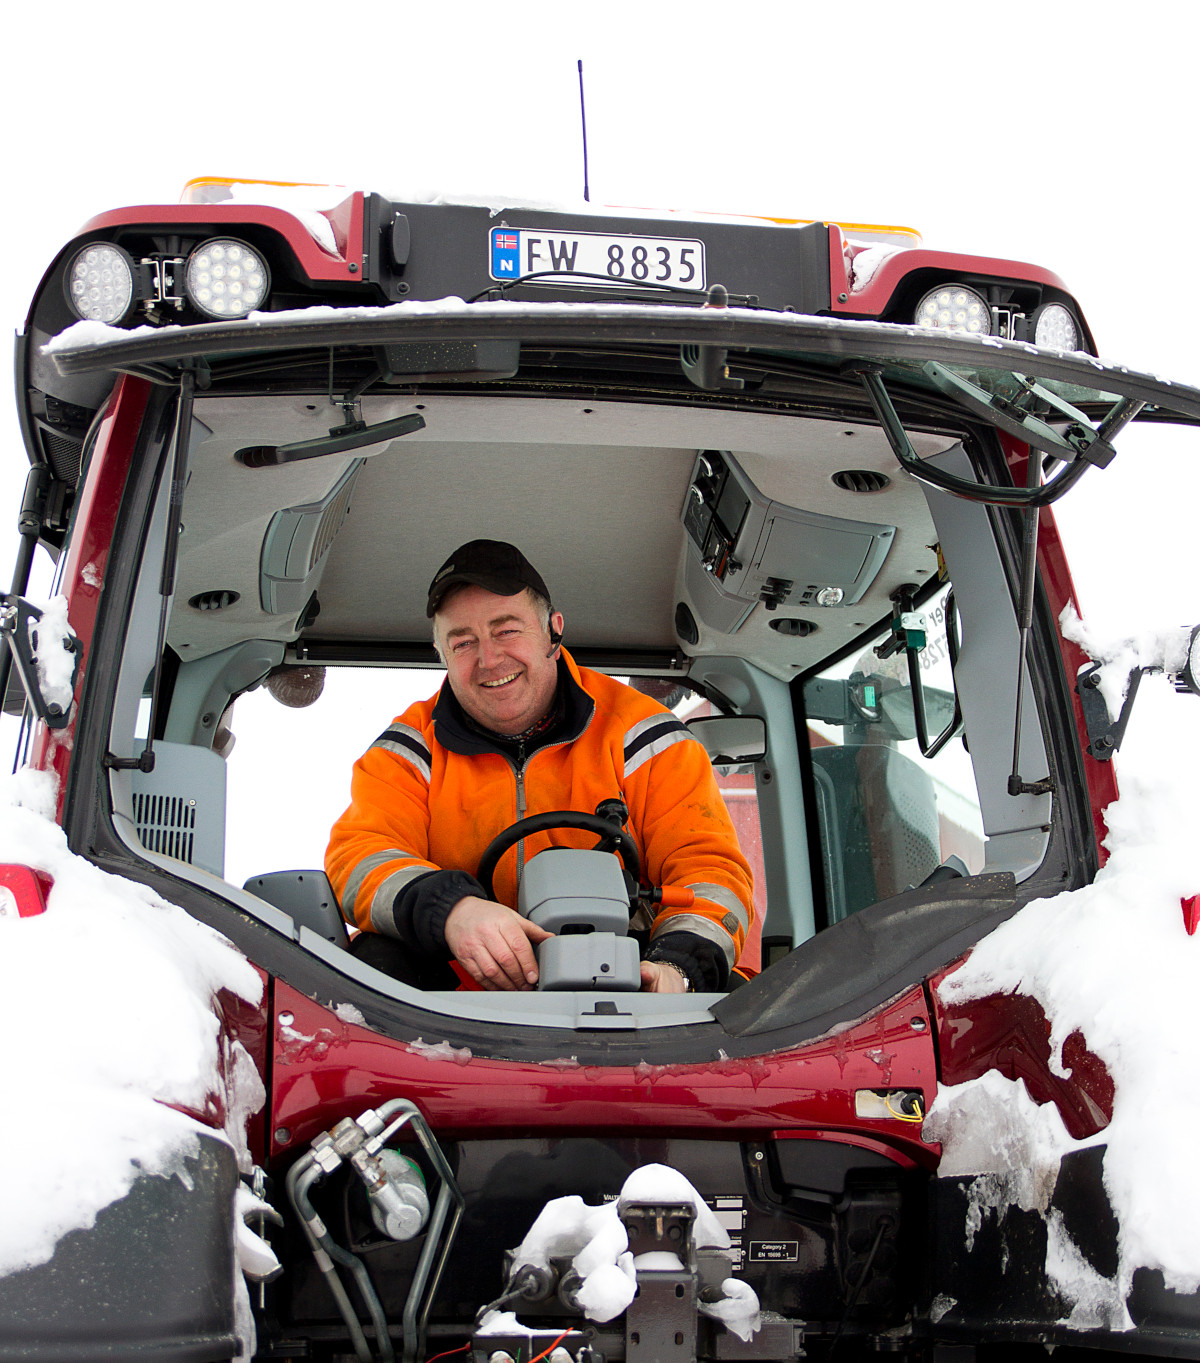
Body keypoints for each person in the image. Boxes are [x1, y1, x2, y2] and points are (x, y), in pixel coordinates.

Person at [325, 540, 753, 993]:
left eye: (506, 631)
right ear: (442, 655)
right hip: (457, 1001)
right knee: (372, 964)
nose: (489, 660)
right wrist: (452, 910)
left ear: (553, 630)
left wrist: (676, 971)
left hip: (626, 987)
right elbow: (360, 857)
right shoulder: (411, 750)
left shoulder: (643, 737)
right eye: (463, 642)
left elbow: (709, 873)